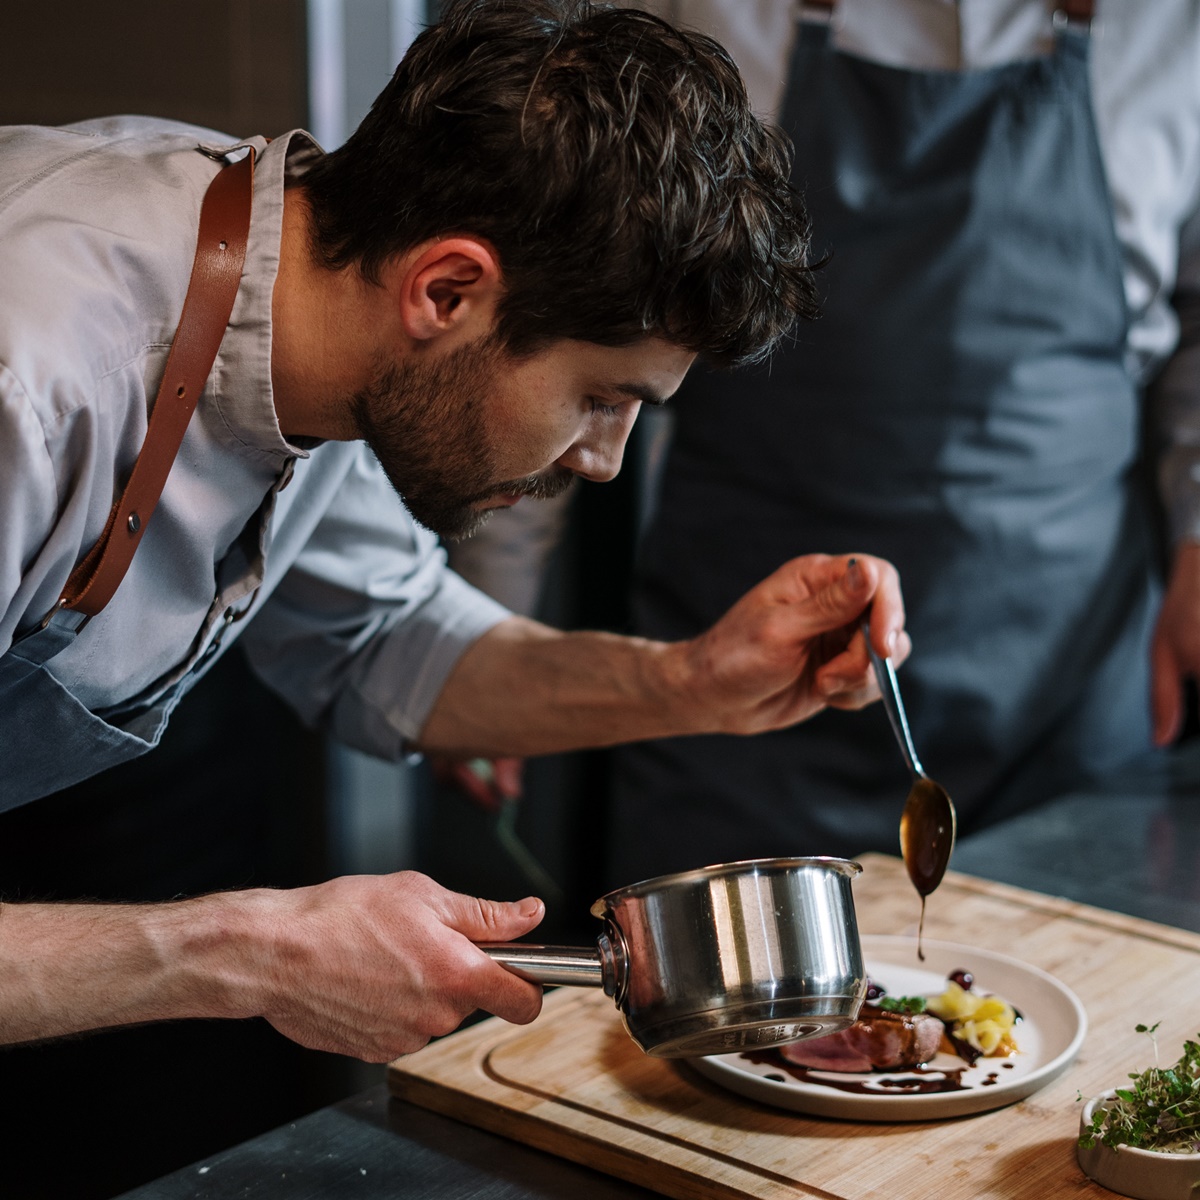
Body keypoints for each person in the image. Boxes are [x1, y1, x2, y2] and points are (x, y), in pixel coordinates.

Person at [0, 0, 910, 1061]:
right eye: (601, 397)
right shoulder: (35, 387)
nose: (601, 458)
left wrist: (694, 682)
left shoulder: (317, 301)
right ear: (448, 290)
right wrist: (244, 953)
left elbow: (389, 641)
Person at [604, 0, 1200, 887]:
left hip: (1063, 686)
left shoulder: (1173, 25)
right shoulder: (696, 13)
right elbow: (573, 305)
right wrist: (489, 635)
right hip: (740, 689)